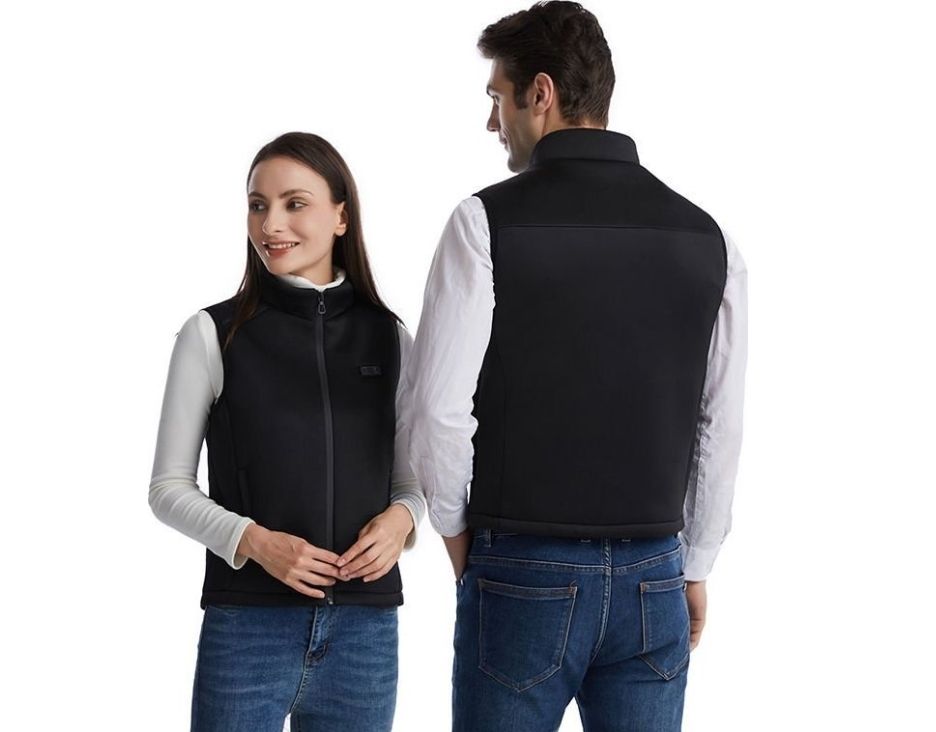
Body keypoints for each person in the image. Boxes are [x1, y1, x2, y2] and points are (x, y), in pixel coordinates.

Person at [406, 2, 748, 730]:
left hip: (520, 567)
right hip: (656, 574)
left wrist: (460, 540)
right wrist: (694, 564)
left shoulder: (482, 222)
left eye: (498, 98)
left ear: (542, 93)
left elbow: (436, 408)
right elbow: (719, 423)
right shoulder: (709, 238)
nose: (493, 122)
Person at [148, 131, 424, 732]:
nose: (270, 224)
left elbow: (411, 480)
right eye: (258, 205)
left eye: (294, 203)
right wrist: (254, 542)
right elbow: (167, 489)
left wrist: (403, 520)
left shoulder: (390, 337)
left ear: (341, 216)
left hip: (365, 633)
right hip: (248, 627)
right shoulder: (212, 333)